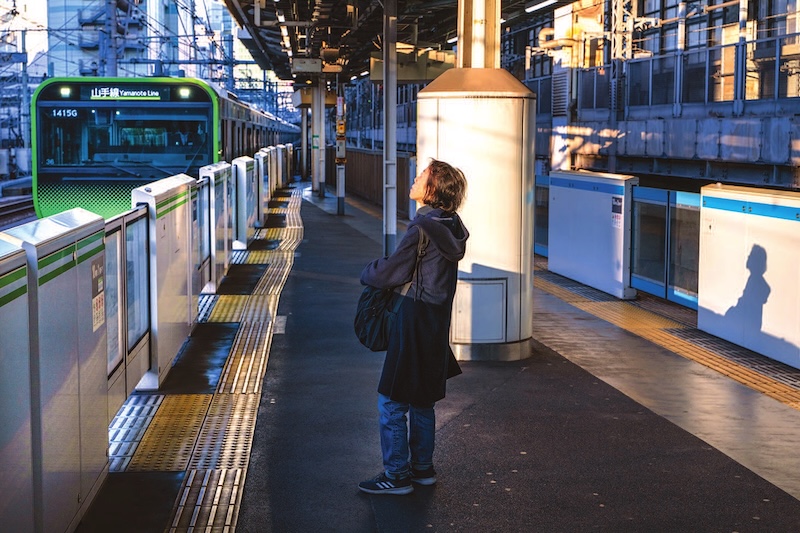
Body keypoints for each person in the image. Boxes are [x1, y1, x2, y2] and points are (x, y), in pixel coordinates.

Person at [358, 158, 469, 495]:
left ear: (432, 188)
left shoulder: (421, 228)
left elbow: (392, 272)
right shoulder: (452, 226)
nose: (416, 176)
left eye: (422, 174)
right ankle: (422, 468)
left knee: (390, 402)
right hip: (436, 321)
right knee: (422, 400)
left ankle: (396, 475)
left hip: (413, 318)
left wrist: (369, 270)